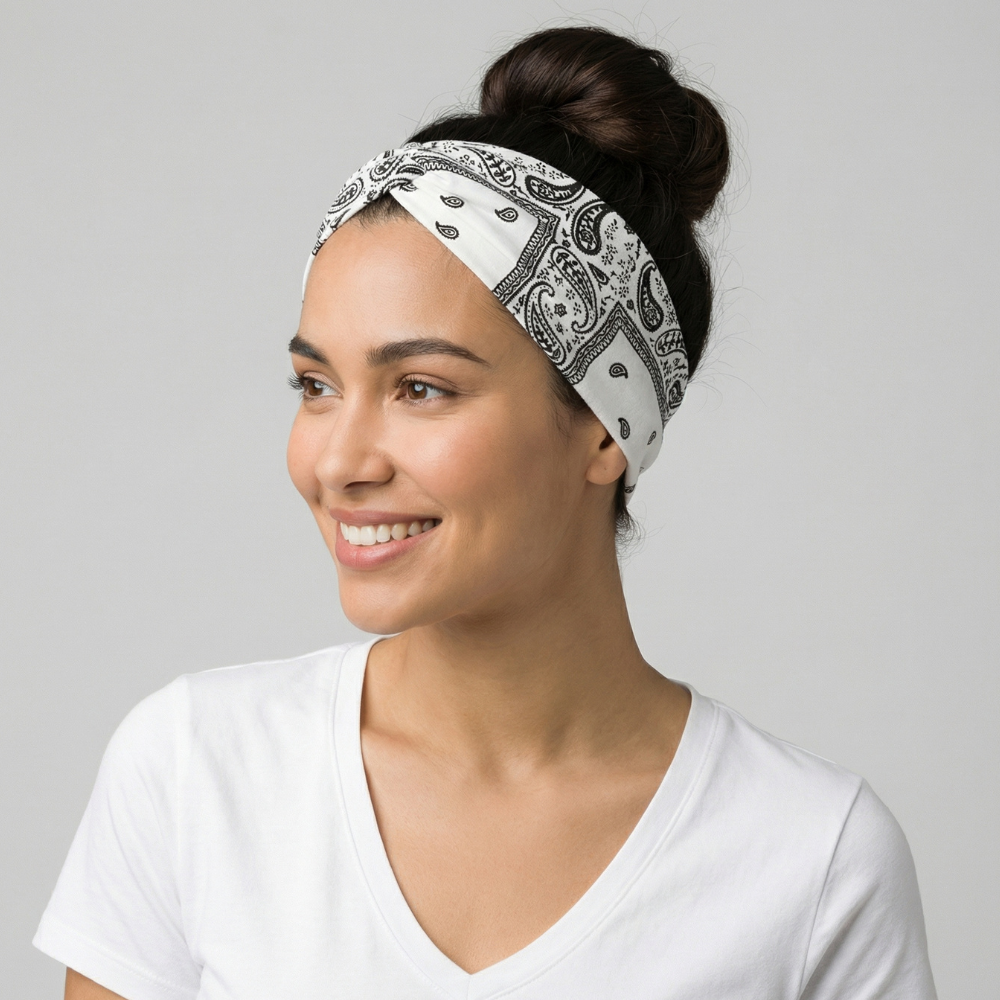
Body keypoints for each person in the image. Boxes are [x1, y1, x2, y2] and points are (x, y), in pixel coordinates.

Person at [35, 25, 937, 1000]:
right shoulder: (194, 772)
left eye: (421, 388)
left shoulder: (810, 862)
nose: (338, 463)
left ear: (603, 429)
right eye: (316, 386)